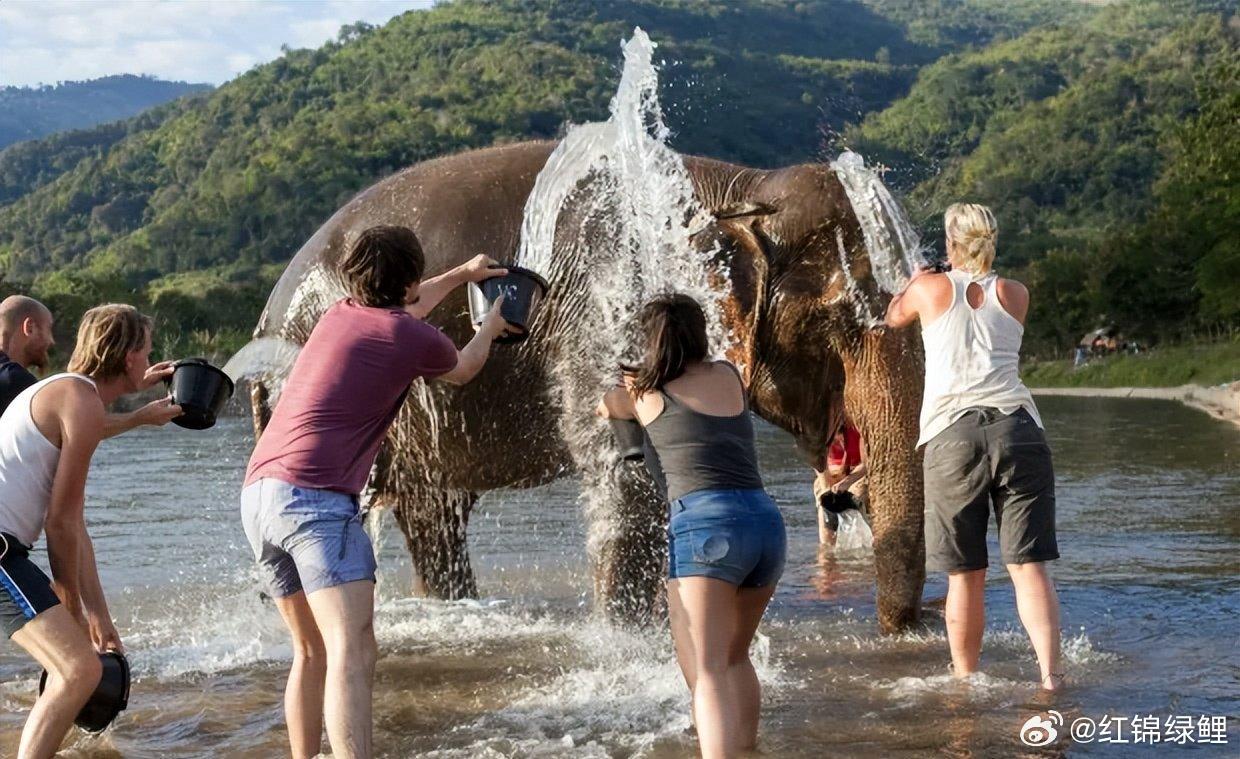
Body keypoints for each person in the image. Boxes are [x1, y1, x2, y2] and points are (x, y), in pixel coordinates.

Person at [240, 226, 511, 759]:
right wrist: (491, 327)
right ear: (408, 277)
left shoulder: (339, 314)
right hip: (315, 503)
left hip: (260, 495)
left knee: (311, 651)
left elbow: (407, 304)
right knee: (352, 651)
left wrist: (461, 276)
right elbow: (464, 368)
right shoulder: (410, 338)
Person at [597, 293, 786, 759]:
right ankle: (746, 749)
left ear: (651, 341)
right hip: (766, 524)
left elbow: (606, 406)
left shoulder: (645, 392)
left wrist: (630, 380)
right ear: (700, 334)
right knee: (736, 656)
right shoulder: (729, 375)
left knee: (709, 668)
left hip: (706, 529)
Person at [885, 203, 1063, 691]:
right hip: (1018, 430)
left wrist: (915, 279)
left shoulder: (928, 289)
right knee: (1030, 568)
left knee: (964, 576)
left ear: (949, 242)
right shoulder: (1016, 293)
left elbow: (892, 316)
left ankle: (966, 680)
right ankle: (1050, 677)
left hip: (952, 435)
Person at [0, 304, 178, 758]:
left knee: (75, 669)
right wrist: (75, 612)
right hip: (1, 552)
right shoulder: (78, 400)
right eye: (147, 350)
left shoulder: (73, 396)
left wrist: (101, 618)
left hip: (8, 552)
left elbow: (75, 527)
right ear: (127, 357)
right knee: (78, 671)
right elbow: (57, 523)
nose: (150, 360)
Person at [0, 294, 182, 432]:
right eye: (49, 329)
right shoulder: (13, 381)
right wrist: (139, 418)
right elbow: (74, 425)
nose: (52, 341)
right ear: (29, 327)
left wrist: (131, 383)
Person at [813, 417, 868, 544]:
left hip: (857, 472)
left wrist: (847, 482)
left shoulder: (857, 425)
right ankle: (827, 554)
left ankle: (860, 549)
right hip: (829, 473)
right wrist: (826, 487)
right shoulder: (820, 428)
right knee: (824, 509)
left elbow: (866, 464)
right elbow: (817, 462)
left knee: (857, 496)